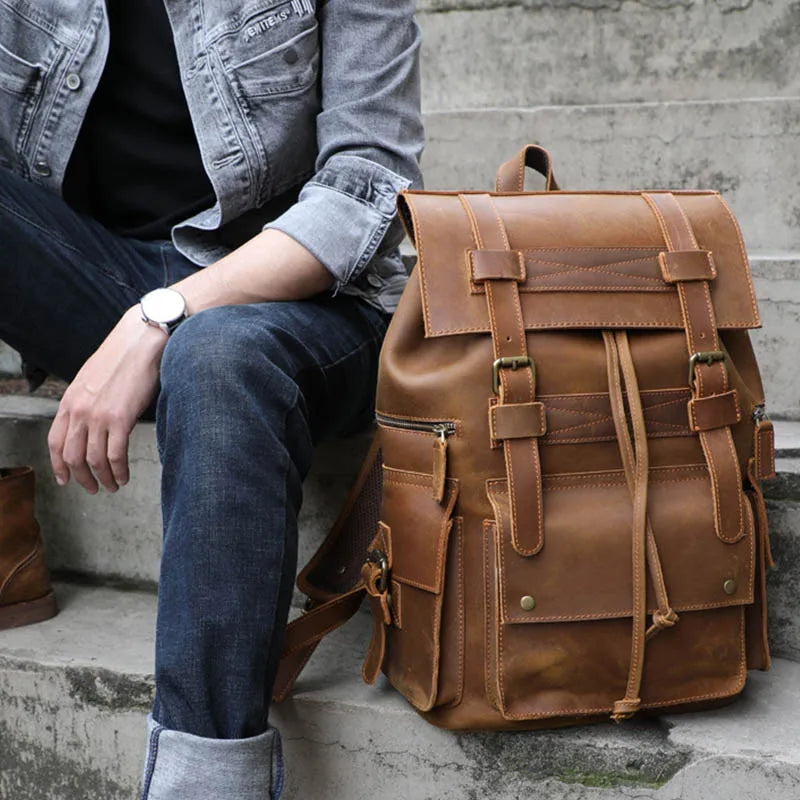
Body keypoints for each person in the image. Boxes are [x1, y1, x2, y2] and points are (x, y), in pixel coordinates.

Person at [0, 1, 423, 796]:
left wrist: (163, 316)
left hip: (305, 302)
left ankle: (206, 779)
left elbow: (368, 186)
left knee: (218, 358)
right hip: (101, 280)